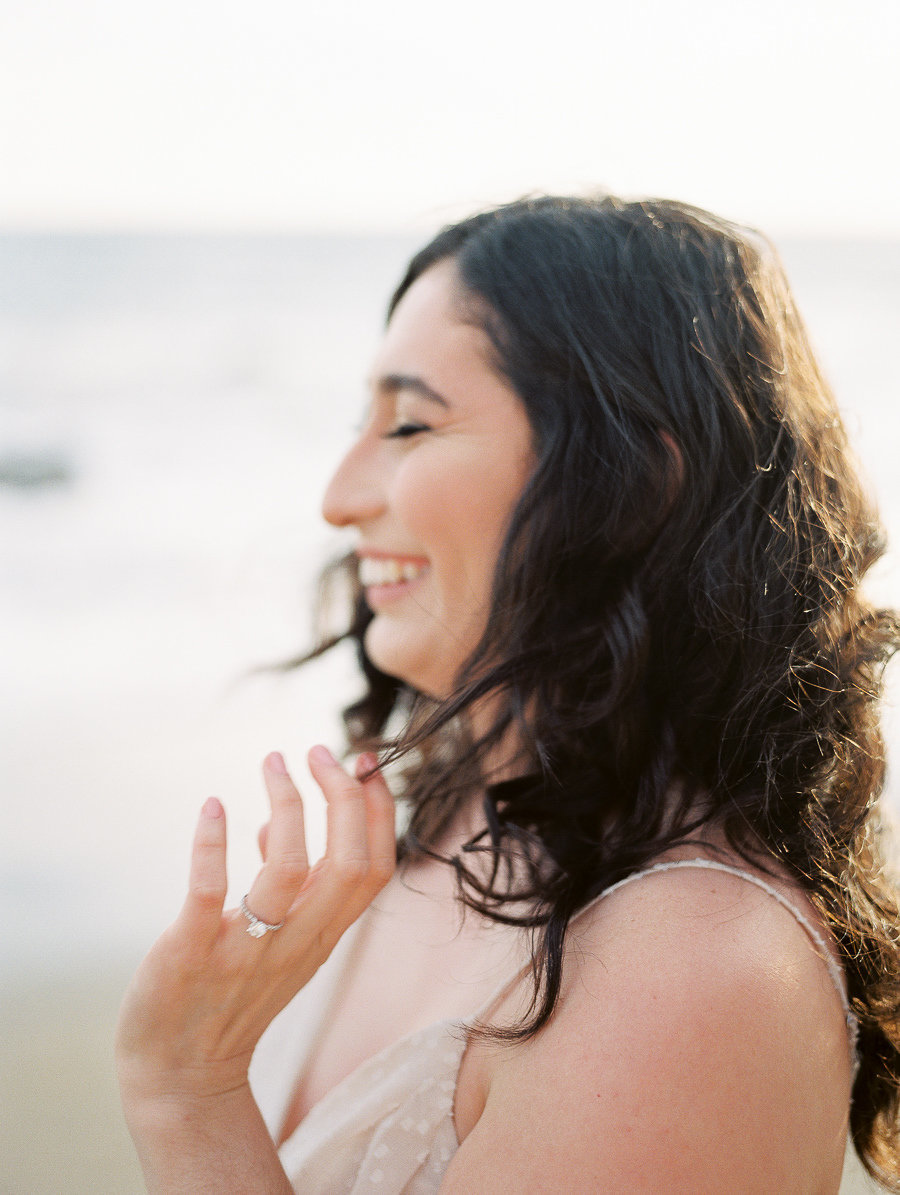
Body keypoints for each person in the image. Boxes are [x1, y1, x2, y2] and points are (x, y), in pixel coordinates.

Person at [116, 195, 900, 1193]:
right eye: (360, 421)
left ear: (627, 481)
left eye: (408, 423)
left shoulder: (697, 974)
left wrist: (183, 1090)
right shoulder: (448, 816)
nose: (337, 495)